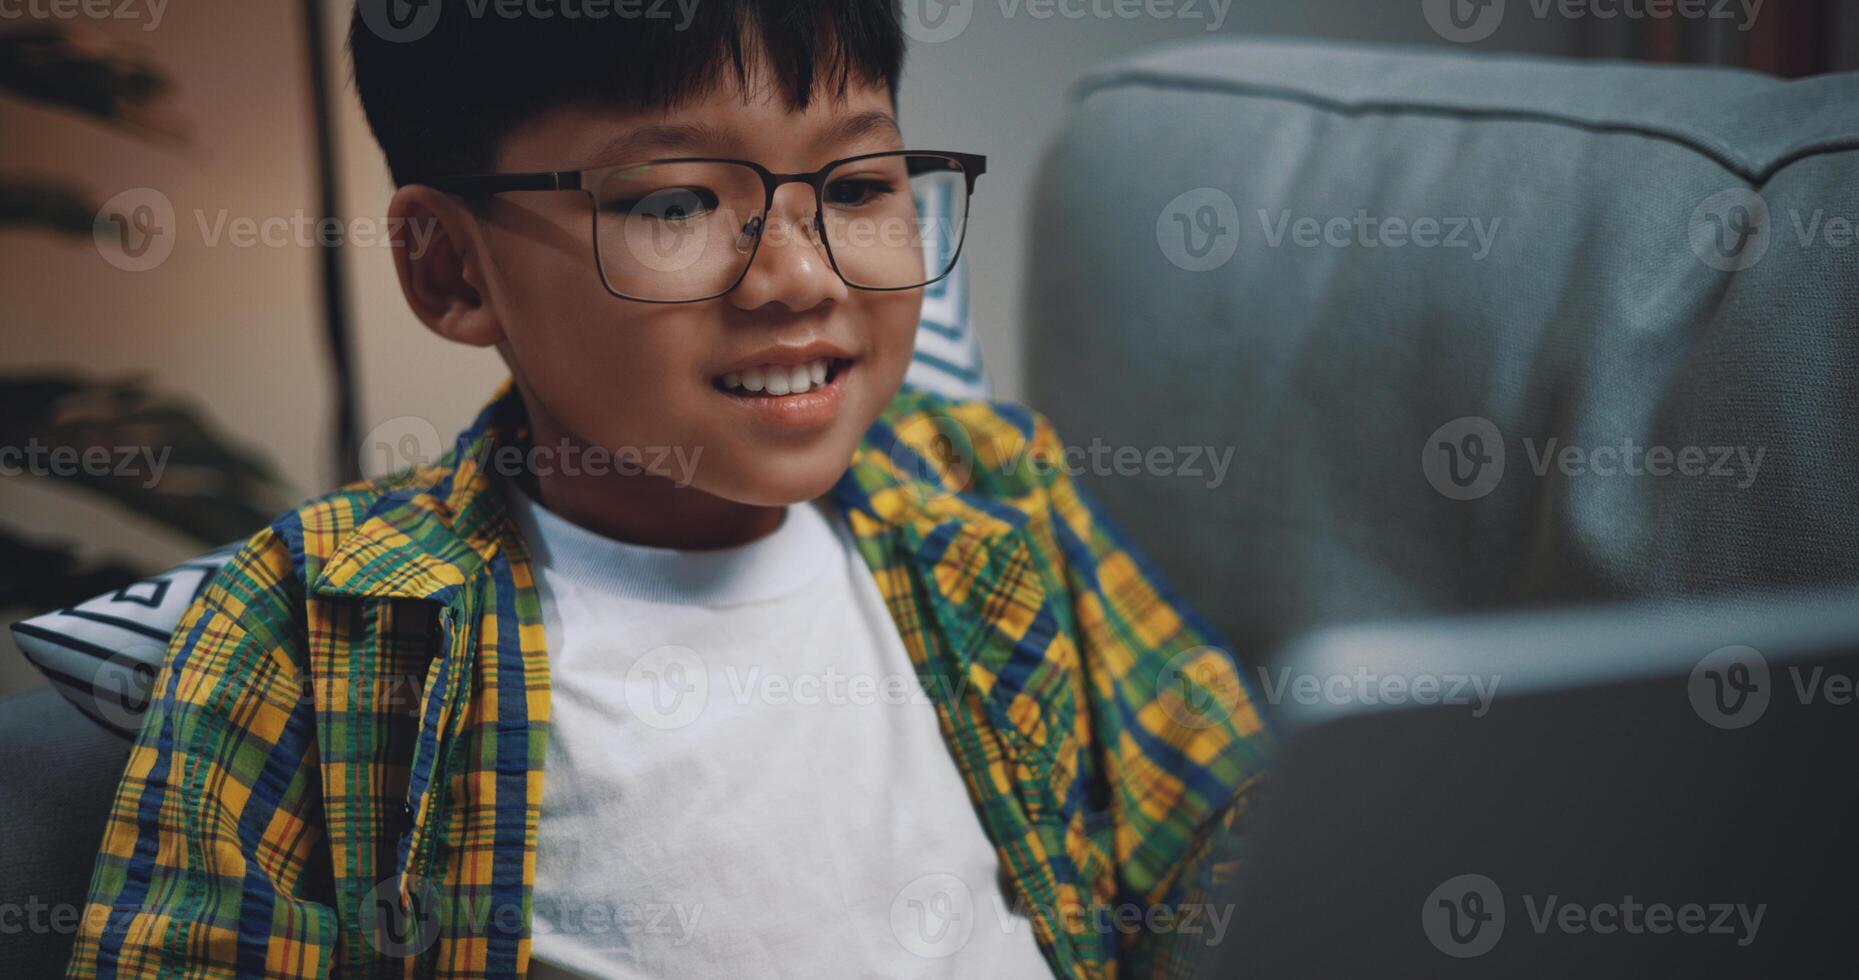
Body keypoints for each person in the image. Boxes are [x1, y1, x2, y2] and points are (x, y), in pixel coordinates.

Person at [66, 2, 1268, 977]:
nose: (798, 277)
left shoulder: (996, 491)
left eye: (855, 188)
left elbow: (1231, 838)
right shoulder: (317, 621)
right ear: (450, 269)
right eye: (675, 202)